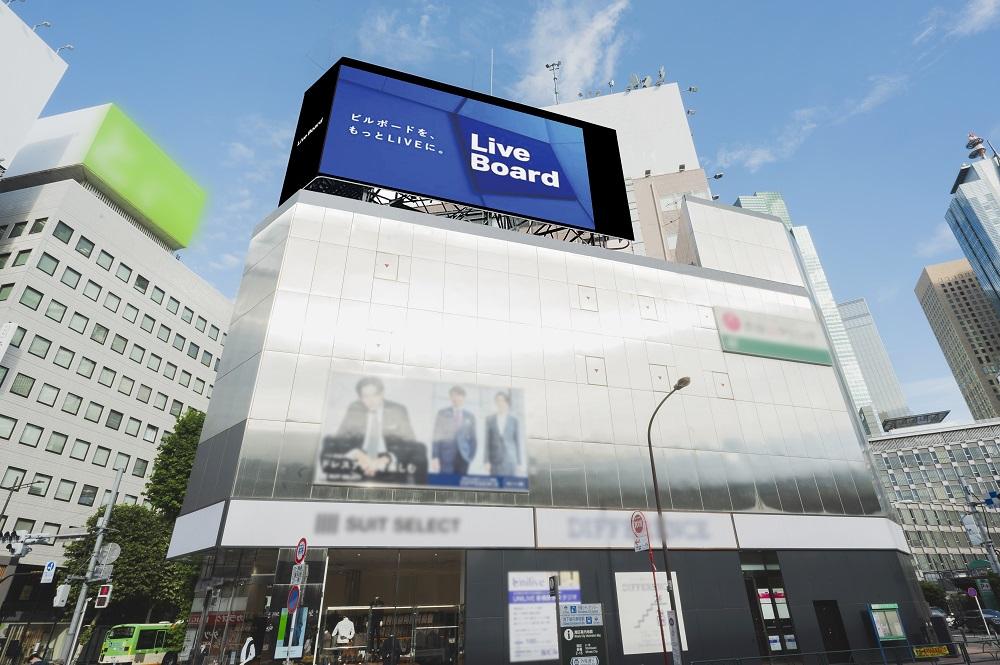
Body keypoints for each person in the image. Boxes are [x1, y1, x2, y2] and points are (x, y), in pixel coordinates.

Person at [320, 377, 428, 484]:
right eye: (365, 396)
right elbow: (341, 438)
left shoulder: (397, 410)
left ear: (382, 393)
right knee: (328, 444)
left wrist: (386, 459)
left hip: (388, 461)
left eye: (375, 395)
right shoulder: (354, 408)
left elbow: (410, 443)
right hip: (361, 460)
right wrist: (357, 454)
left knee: (420, 449)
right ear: (360, 397)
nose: (371, 400)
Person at [430, 386, 477, 475]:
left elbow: (473, 439)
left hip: (463, 458)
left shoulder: (470, 416)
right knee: (446, 484)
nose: (456, 398)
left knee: (461, 486)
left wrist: (469, 456)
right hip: (445, 457)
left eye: (458, 396)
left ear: (463, 397)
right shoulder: (442, 413)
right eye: (453, 396)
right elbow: (436, 436)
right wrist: (435, 456)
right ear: (450, 398)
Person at [486, 391, 522, 477]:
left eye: (502, 401)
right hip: (494, 461)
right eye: (498, 400)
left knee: (510, 486)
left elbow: (517, 442)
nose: (500, 403)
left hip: (510, 460)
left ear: (507, 403)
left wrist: (519, 463)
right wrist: (486, 461)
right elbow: (487, 442)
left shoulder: (514, 421)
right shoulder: (490, 419)